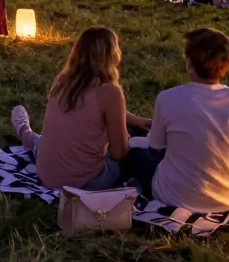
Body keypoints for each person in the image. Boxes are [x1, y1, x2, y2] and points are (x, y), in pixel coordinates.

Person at [127, 28, 229, 214]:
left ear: (188, 63)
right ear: (228, 64)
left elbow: (156, 145)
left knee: (139, 156)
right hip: (227, 200)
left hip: (172, 198)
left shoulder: (167, 98)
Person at [11, 27, 152, 190]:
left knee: (46, 144)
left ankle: (25, 131)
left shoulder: (63, 80)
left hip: (47, 174)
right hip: (82, 183)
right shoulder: (110, 92)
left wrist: (133, 119)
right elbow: (119, 152)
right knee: (137, 159)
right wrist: (130, 140)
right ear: (112, 55)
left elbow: (93, 109)